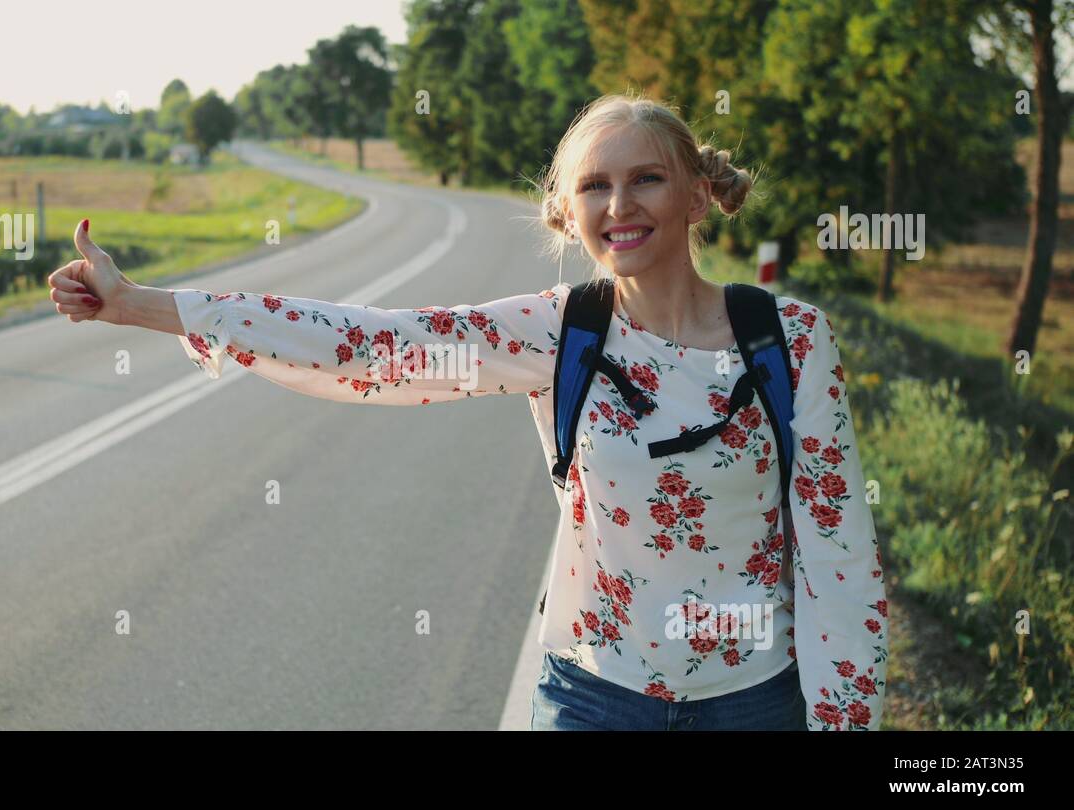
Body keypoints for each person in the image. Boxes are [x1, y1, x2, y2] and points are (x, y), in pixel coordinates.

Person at [47, 93, 887, 731]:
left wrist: (843, 719)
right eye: (594, 186)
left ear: (698, 197)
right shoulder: (563, 332)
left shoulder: (791, 339)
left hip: (753, 701)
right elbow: (371, 346)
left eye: (646, 180)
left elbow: (839, 558)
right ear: (571, 213)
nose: (619, 206)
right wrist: (143, 306)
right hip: (593, 698)